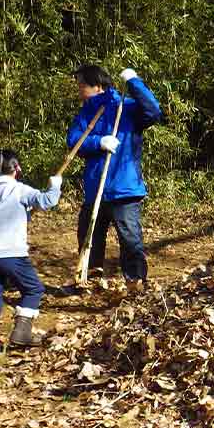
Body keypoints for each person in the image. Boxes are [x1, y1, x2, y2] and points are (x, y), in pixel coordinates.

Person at [68, 64, 162, 290]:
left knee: (130, 239)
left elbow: (154, 111)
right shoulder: (86, 112)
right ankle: (89, 279)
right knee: (88, 235)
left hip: (124, 188)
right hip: (95, 188)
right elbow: (74, 142)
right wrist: (97, 142)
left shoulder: (127, 108)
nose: (79, 90)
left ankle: (135, 282)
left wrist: (134, 82)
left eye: (82, 85)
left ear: (97, 86)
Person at [0, 151, 62, 363]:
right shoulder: (18, 189)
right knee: (33, 288)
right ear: (16, 168)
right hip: (11, 253)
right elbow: (47, 201)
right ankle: (22, 332)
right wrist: (55, 184)